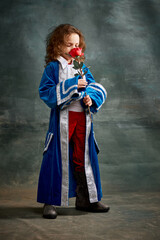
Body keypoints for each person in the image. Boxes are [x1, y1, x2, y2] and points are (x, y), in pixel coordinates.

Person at [37, 24, 110, 219]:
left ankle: (86, 200)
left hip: (82, 119)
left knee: (83, 157)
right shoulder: (53, 68)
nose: (74, 48)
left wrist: (89, 98)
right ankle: (50, 201)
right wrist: (71, 85)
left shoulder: (82, 67)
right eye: (69, 44)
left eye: (77, 44)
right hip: (62, 119)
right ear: (58, 46)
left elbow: (93, 86)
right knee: (56, 158)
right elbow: (46, 93)